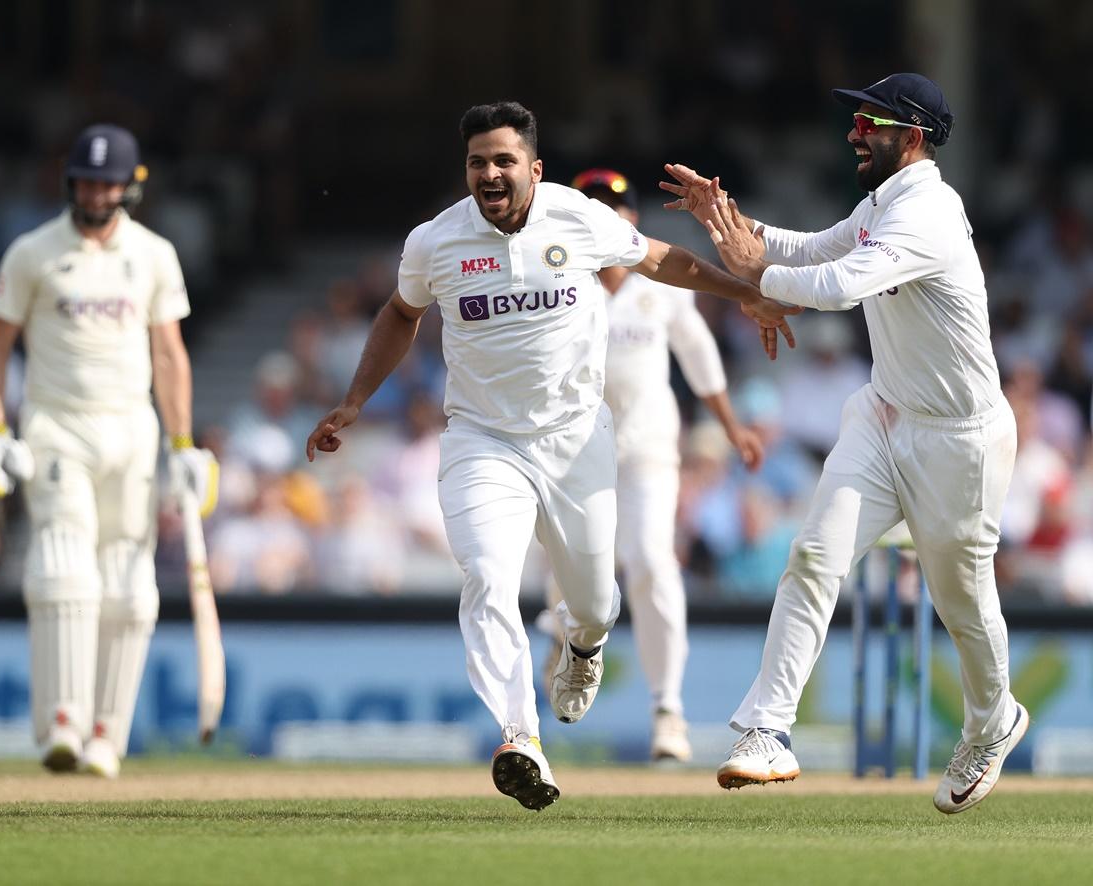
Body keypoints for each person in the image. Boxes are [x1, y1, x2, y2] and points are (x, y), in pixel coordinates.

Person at [306, 102, 797, 810]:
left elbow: (661, 258)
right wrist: (355, 401)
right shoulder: (436, 240)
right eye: (478, 162)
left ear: (533, 169)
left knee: (596, 603)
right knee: (488, 577)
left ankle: (583, 645)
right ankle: (520, 738)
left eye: (504, 161)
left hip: (575, 441)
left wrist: (746, 293)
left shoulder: (577, 217)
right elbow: (401, 314)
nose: (490, 174)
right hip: (482, 440)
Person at [663, 73, 1027, 814]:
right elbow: (811, 248)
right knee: (813, 558)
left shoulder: (928, 212)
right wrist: (730, 222)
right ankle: (765, 730)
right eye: (858, 121)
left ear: (913, 139)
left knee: (961, 603)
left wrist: (758, 280)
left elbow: (840, 283)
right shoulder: (880, 203)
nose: (855, 133)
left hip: (959, 438)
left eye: (872, 123)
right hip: (883, 414)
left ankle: (993, 722)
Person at [0, 124, 218, 778]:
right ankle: (62, 724)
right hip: (57, 425)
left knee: (131, 591)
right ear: (69, 183)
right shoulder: (33, 252)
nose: (96, 192)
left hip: (132, 431)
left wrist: (184, 444)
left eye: (108, 183)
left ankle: (107, 734)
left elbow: (169, 354)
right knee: (63, 569)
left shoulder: (155, 255)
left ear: (131, 187)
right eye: (86, 180)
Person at [540, 168, 765, 762]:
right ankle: (559, 631)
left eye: (616, 208)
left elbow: (695, 349)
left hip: (646, 449)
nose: (606, 217)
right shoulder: (556, 276)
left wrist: (731, 424)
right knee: (575, 571)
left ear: (633, 220)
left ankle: (668, 710)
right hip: (574, 452)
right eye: (592, 208)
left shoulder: (658, 285)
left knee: (651, 564)